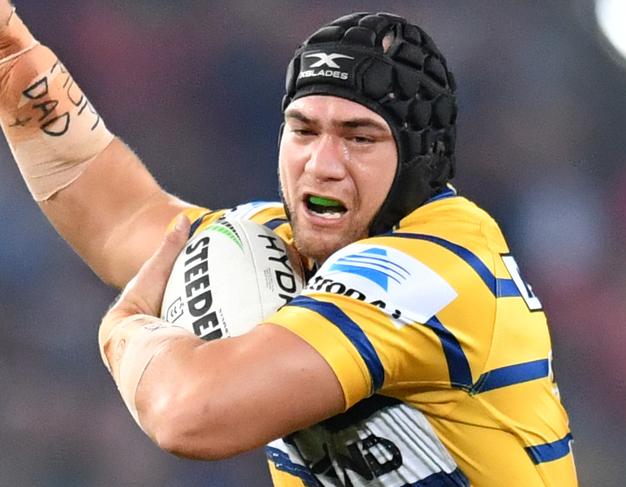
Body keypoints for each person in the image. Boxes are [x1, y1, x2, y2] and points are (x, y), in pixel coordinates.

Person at [0, 4, 578, 486]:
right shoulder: (284, 238)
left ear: (418, 162)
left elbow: (190, 414)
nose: (321, 165)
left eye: (359, 137)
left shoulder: (431, 272)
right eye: (304, 130)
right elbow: (124, 218)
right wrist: (18, 67)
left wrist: (122, 329)